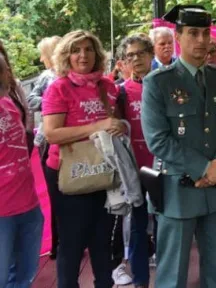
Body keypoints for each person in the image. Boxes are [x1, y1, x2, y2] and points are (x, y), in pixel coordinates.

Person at [141, 6, 216, 288]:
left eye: (206, 33)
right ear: (178, 36)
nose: (201, 40)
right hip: (179, 190)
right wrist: (204, 168)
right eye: (193, 33)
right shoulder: (158, 83)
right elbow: (158, 139)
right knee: (172, 277)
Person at [42, 30, 125, 288]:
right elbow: (52, 134)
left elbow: (116, 123)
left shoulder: (108, 87)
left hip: (103, 171)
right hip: (69, 173)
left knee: (102, 240)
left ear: (97, 54)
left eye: (88, 49)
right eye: (76, 50)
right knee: (72, 242)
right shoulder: (59, 88)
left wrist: (119, 126)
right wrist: (97, 126)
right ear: (66, 56)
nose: (83, 55)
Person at [115, 34, 156, 288]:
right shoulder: (121, 92)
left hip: (162, 167)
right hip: (134, 169)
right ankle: (141, 279)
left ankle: (168, 274)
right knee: (138, 226)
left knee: (165, 224)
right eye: (130, 55)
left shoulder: (164, 84)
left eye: (141, 53)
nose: (136, 59)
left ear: (151, 55)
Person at [0, 49, 43, 288]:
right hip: (2, 212)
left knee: (24, 275)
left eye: (3, 69)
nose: (4, 74)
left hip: (28, 204)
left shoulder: (9, 103)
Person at [26, 35, 61, 258]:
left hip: (71, 140)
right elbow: (31, 100)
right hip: (48, 141)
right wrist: (52, 101)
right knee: (54, 192)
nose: (40, 58)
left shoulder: (71, 75)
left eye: (42, 54)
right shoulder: (46, 77)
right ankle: (57, 243)